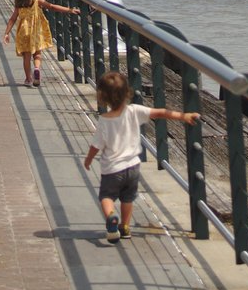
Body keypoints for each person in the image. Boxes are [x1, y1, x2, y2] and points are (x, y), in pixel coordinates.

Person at [83, 71, 201, 242]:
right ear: (127, 93)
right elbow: (160, 113)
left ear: (102, 96)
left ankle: (110, 217)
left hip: (112, 169)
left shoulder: (104, 120)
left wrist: (88, 160)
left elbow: (96, 146)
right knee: (127, 198)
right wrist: (184, 116)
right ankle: (125, 226)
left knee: (106, 197)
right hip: (133, 167)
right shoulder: (134, 111)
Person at [2, 0, 80, 88]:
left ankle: (28, 79)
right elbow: (52, 6)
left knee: (26, 56)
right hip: (36, 31)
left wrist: (7, 33)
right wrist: (69, 10)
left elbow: (13, 18)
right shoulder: (37, 0)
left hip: (24, 32)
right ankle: (37, 68)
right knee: (37, 53)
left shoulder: (19, 3)